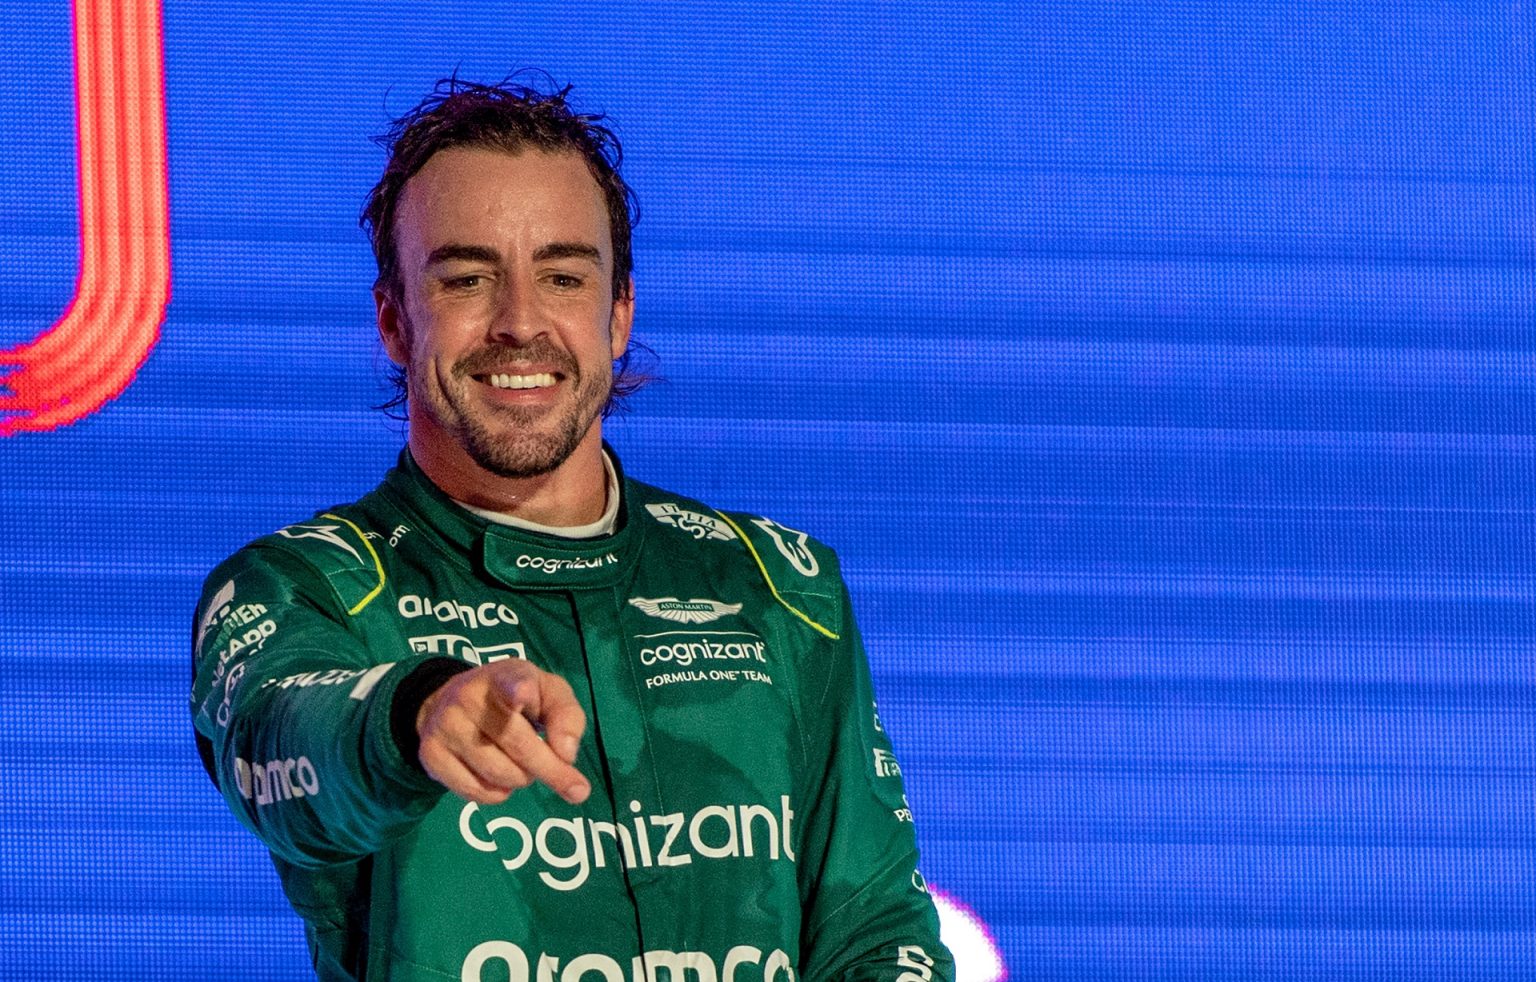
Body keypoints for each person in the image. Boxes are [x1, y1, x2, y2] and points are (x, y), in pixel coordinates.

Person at [190, 76, 953, 982]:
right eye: (466, 279)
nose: (520, 324)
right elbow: (280, 745)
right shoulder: (301, 586)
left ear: (619, 312)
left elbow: (875, 932)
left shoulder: (779, 584)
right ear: (394, 320)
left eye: (562, 276)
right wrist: (416, 712)